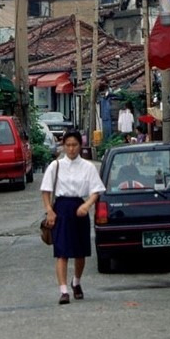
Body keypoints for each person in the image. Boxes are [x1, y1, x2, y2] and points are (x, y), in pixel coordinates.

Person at [40, 129, 105, 305]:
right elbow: (46, 190)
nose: (71, 149)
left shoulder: (88, 167)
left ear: (80, 145)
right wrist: (49, 210)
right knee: (61, 252)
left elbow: (96, 190)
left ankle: (76, 282)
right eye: (68, 145)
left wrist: (87, 205)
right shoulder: (55, 166)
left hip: (79, 208)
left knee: (79, 252)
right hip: (61, 209)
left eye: (74, 145)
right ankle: (63, 291)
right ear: (63, 146)